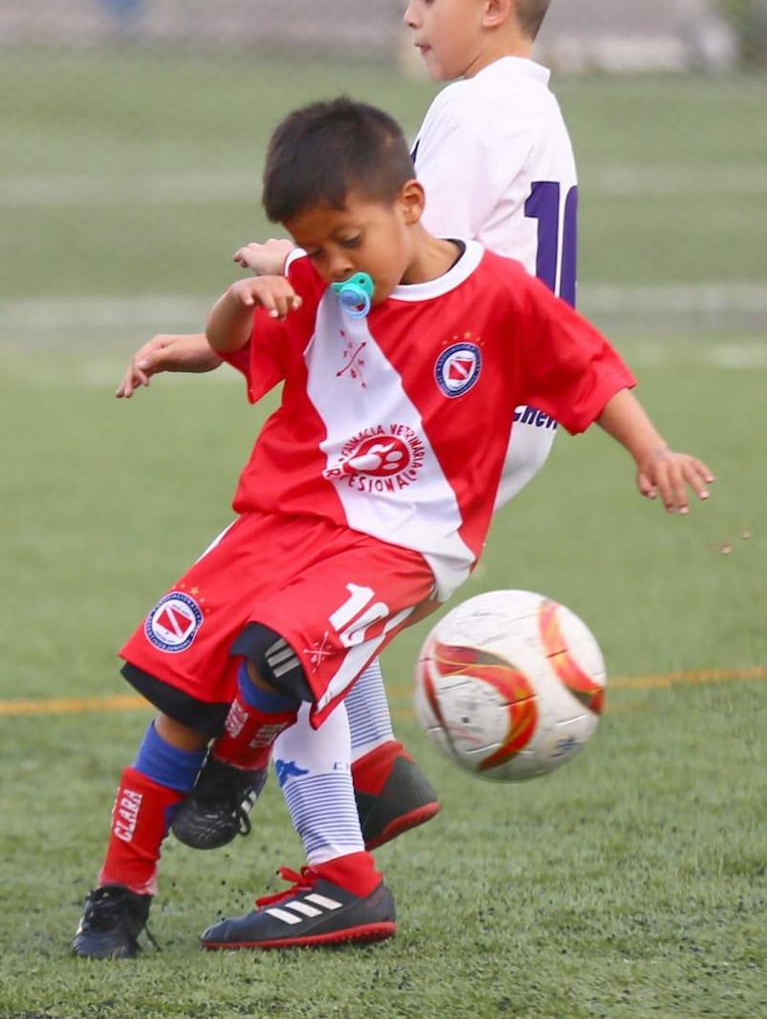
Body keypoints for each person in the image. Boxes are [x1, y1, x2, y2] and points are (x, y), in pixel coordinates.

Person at [73, 96, 713, 957]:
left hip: (405, 540)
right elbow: (234, 340)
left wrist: (653, 448)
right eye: (311, 249)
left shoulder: (495, 295)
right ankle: (120, 894)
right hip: (283, 517)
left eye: (348, 240)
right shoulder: (317, 281)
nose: (333, 265)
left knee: (278, 650)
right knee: (181, 691)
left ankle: (238, 766)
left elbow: (587, 371)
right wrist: (236, 298)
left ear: (409, 205)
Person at [114, 0, 578, 869]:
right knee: (323, 579)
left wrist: (271, 282)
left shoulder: (470, 113)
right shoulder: (530, 108)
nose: (408, 15)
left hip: (451, 406)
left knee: (277, 607)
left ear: (490, 3)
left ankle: (336, 868)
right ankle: (370, 768)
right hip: (492, 403)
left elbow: (390, 269)